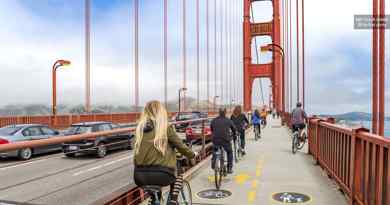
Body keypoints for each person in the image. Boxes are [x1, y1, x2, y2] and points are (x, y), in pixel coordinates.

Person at [133, 101, 196, 191]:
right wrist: (192, 155)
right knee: (177, 169)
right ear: (161, 112)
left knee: (155, 194)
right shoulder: (164, 127)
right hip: (162, 175)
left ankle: (155, 199)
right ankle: (173, 201)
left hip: (139, 176)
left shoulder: (139, 129)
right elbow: (180, 146)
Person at [211, 108, 237, 174]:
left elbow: (212, 129)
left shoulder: (214, 120)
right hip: (225, 140)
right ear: (225, 113)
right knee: (229, 152)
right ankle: (229, 168)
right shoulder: (228, 120)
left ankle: (214, 164)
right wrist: (234, 135)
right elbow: (234, 129)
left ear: (219, 112)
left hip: (216, 140)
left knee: (215, 150)